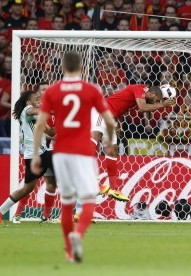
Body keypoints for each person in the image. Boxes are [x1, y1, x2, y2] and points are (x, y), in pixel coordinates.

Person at [31, 51, 116, 263]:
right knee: (88, 199)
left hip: (60, 152)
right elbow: (109, 121)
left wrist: (34, 154)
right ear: (81, 68)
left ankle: (69, 250)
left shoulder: (52, 91)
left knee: (67, 202)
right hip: (84, 151)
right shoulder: (90, 90)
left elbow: (41, 124)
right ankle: (78, 235)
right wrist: (109, 140)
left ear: (62, 67)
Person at [91, 84, 175, 202]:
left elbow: (121, 107)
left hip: (111, 118)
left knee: (112, 150)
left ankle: (113, 189)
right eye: (155, 100)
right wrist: (162, 105)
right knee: (92, 142)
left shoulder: (140, 97)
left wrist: (117, 123)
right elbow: (142, 107)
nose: (155, 103)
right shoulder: (139, 89)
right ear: (152, 94)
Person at [0, 90, 57, 224]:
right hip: (38, 155)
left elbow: (51, 132)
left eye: (39, 99)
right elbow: (33, 111)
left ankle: (1, 211)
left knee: (27, 189)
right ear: (28, 102)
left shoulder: (39, 117)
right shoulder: (27, 110)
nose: (39, 101)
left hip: (38, 155)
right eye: (36, 99)